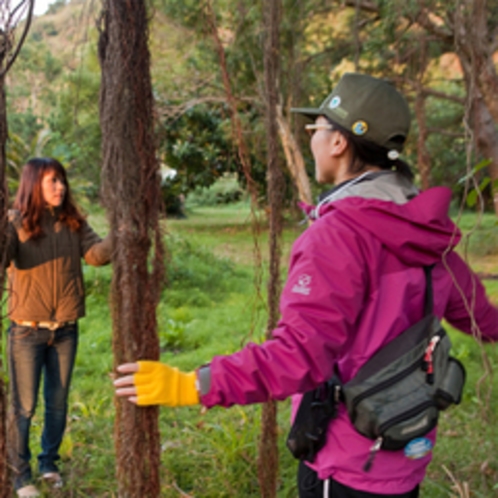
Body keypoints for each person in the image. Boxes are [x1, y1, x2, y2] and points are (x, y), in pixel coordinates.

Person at [114, 73, 498, 497]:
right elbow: (484, 319)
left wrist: (193, 385)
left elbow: (298, 357)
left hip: (348, 465)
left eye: (316, 128)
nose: (311, 137)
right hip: (406, 450)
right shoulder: (429, 231)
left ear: (339, 143)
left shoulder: (338, 235)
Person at [6, 158, 113, 498]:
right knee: (24, 407)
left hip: (65, 329)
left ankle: (48, 463)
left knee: (57, 402)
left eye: (62, 180)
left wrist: (121, 232)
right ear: (33, 184)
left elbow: (96, 255)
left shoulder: (73, 221)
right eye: (52, 181)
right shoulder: (15, 222)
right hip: (26, 331)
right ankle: (20, 475)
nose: (60, 187)